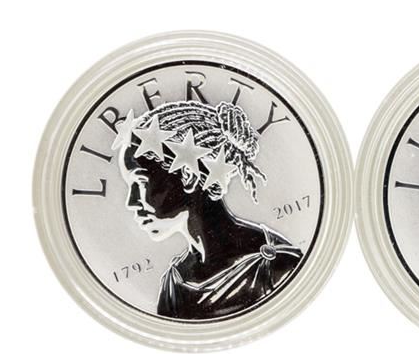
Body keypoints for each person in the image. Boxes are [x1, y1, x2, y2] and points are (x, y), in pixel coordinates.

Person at [115, 100, 301, 319]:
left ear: (188, 176)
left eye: (140, 183)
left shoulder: (279, 265)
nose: (131, 202)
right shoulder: (174, 282)